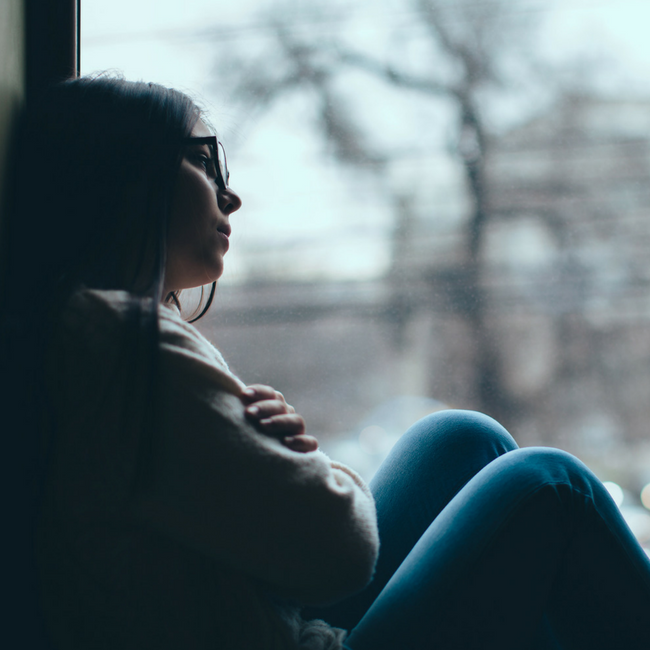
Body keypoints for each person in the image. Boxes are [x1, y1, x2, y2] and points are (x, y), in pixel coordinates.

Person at [2, 74, 649, 650]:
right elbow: (339, 552)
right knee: (550, 485)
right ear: (123, 174)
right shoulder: (131, 348)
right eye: (202, 164)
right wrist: (302, 463)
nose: (230, 198)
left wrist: (267, 461)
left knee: (459, 438)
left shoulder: (82, 333)